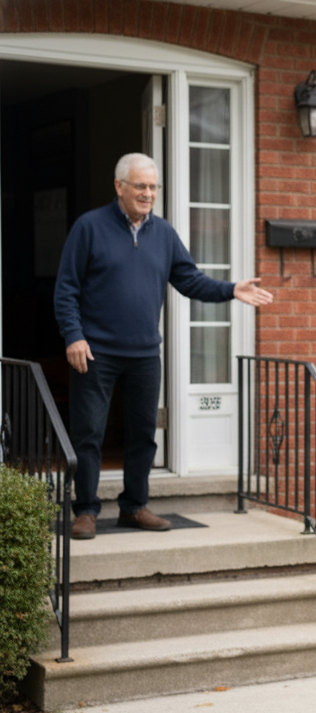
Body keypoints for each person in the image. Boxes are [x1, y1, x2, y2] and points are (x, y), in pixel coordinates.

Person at [54, 152, 273, 540]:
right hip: (95, 352)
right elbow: (66, 289)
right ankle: (85, 510)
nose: (148, 193)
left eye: (153, 187)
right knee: (89, 433)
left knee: (143, 434)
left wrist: (231, 289)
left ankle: (134, 507)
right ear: (119, 186)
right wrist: (74, 335)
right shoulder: (89, 227)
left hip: (143, 354)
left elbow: (190, 280)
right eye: (140, 185)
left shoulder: (164, 234)